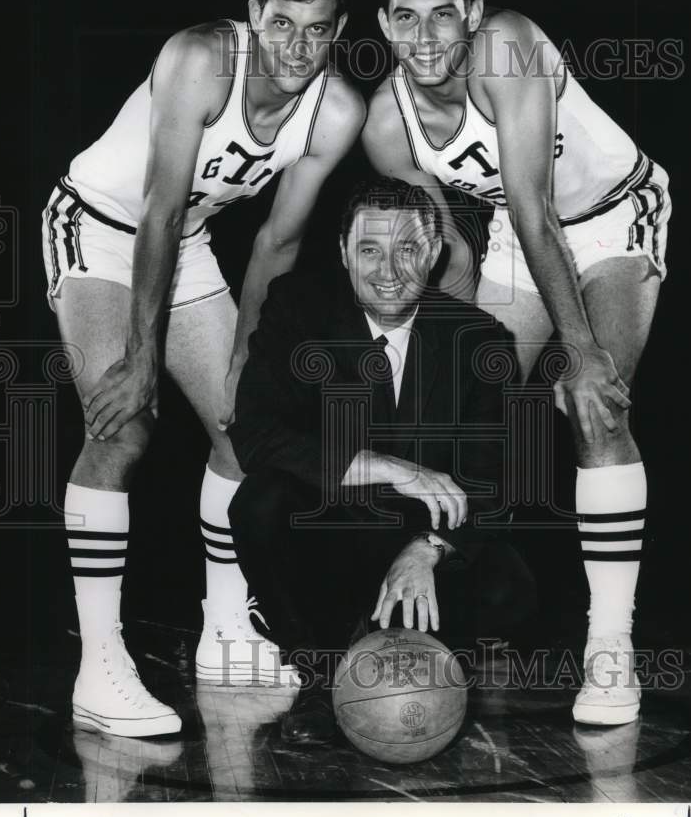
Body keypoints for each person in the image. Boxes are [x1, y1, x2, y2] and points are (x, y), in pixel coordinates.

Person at [41, 0, 365, 737]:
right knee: (124, 423)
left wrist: (247, 365)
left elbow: (276, 245)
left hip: (184, 248)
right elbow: (156, 206)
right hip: (99, 226)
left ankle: (225, 629)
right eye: (281, 24)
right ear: (254, 14)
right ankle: (100, 664)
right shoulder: (199, 59)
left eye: (316, 31)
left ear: (339, 29)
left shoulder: (338, 111)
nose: (296, 48)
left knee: (240, 426)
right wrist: (144, 358)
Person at [362, 0, 672, 725]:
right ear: (383, 25)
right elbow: (457, 246)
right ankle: (441, 588)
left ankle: (611, 649)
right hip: (515, 235)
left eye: (442, 14)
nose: (426, 38)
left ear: (471, 11)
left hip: (610, 220)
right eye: (406, 18)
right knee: (461, 410)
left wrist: (581, 351)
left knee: (593, 403)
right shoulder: (385, 130)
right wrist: (459, 358)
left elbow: (538, 208)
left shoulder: (510, 48)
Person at [228, 177, 535, 744]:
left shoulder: (480, 340)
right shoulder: (298, 309)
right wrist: (391, 466)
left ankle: (426, 661)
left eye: (408, 249)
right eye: (370, 249)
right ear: (344, 251)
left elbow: (497, 479)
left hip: (424, 542)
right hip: (334, 535)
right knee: (261, 503)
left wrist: (428, 550)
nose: (389, 270)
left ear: (436, 252)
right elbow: (258, 435)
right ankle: (320, 680)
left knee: (507, 584)